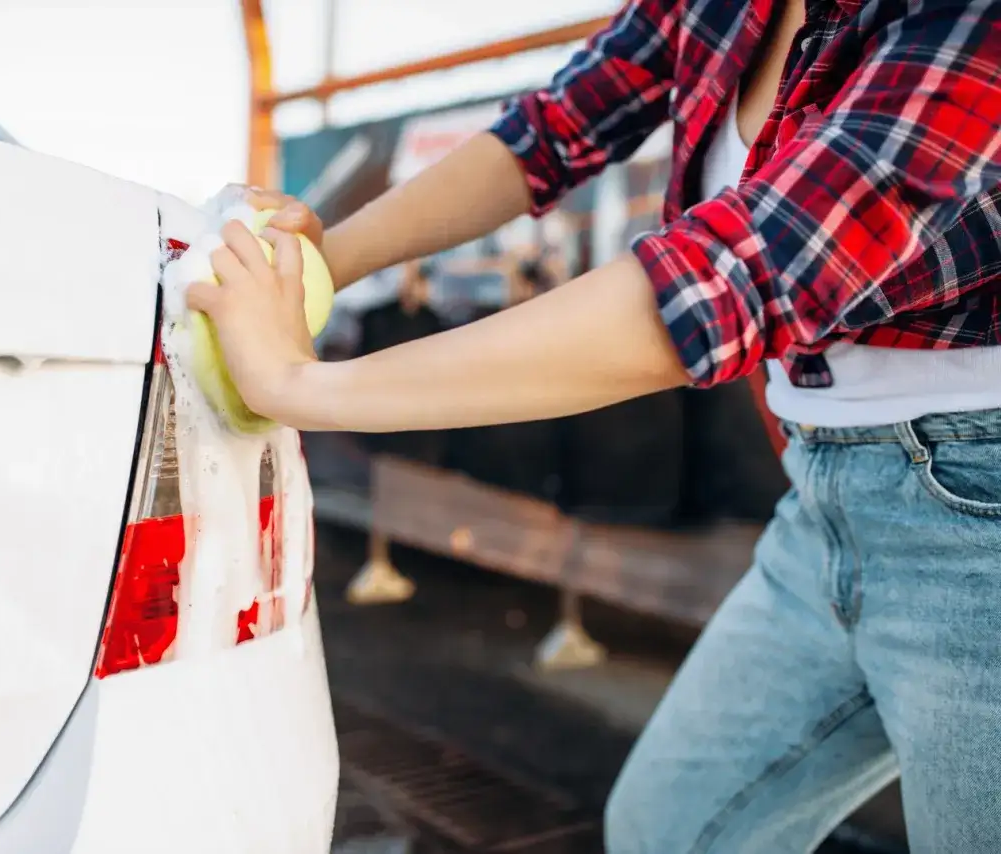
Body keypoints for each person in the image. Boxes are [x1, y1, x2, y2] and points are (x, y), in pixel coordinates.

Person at [187, 1, 1001, 851]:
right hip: (825, 497)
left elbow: (723, 283)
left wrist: (301, 386)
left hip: (980, 524)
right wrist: (319, 259)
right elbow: (552, 128)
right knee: (668, 829)